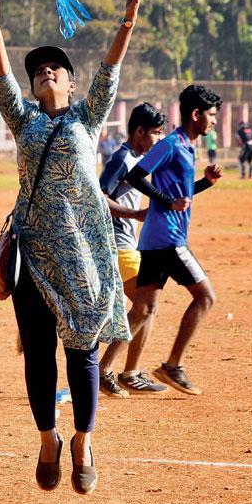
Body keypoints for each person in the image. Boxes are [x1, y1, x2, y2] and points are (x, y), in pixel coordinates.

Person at [0, 0, 153, 495]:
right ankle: (48, 439)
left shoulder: (87, 119)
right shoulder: (24, 122)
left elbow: (110, 71)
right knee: (38, 352)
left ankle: (82, 441)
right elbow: (2, 77)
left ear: (71, 84)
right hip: (33, 255)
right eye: (39, 71)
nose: (45, 72)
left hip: (84, 259)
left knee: (83, 355)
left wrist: (128, 19)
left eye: (55, 69)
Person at [121, 85, 224, 397]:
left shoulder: (187, 146)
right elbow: (135, 176)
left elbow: (182, 195)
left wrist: (205, 183)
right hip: (168, 238)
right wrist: (167, 201)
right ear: (196, 114)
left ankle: (103, 370)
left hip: (157, 239)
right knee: (205, 297)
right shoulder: (171, 144)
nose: (214, 121)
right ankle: (172, 366)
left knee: (142, 309)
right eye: (211, 115)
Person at [97, 103, 169, 398]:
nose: (159, 138)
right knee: (145, 306)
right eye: (156, 133)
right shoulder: (121, 160)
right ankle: (105, 370)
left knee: (148, 307)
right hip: (117, 246)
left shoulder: (138, 162)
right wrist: (135, 214)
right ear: (139, 131)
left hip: (130, 245)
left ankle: (130, 373)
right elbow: (99, 197)